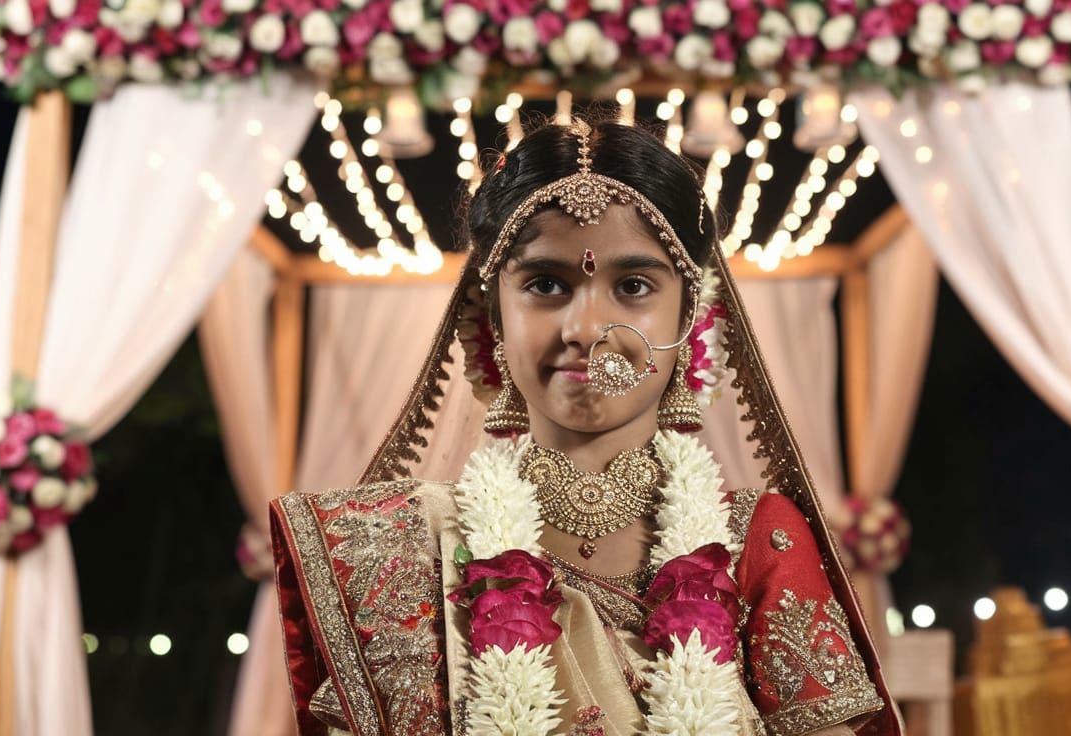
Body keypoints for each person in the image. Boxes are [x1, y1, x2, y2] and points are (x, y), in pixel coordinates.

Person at [270, 116, 899, 736]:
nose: (587, 329)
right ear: (490, 317)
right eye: (546, 283)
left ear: (693, 312)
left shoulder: (756, 539)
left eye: (632, 285)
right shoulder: (399, 552)